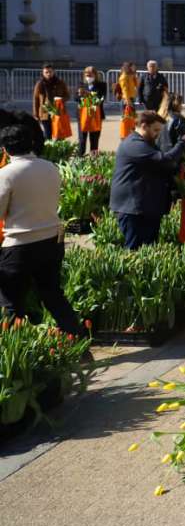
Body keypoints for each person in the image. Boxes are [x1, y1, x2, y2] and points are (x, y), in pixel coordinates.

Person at [0, 124, 86, 337]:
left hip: (19, 244)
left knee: (11, 302)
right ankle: (80, 344)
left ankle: (15, 353)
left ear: (4, 149)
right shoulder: (50, 167)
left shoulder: (6, 174)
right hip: (51, 239)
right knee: (53, 295)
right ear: (31, 144)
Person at [110, 111, 185, 249]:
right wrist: (183, 143)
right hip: (133, 209)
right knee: (134, 250)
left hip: (145, 207)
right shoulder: (134, 144)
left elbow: (160, 166)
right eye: (155, 130)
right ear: (144, 126)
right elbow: (164, 160)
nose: (158, 134)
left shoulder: (145, 143)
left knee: (148, 249)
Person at [32, 65, 70, 142]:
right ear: (43, 73)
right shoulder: (39, 84)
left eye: (50, 72)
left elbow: (67, 95)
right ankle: (47, 151)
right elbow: (36, 99)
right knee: (47, 135)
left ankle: (58, 151)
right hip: (45, 113)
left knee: (59, 135)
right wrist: (36, 114)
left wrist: (62, 99)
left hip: (58, 112)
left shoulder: (60, 82)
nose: (48, 74)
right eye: (46, 72)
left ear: (53, 72)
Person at [75, 66, 107, 156]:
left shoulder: (102, 85)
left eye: (90, 74)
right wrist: (80, 95)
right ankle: (80, 158)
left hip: (96, 116)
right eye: (86, 74)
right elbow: (75, 98)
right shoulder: (81, 84)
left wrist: (87, 93)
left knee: (94, 140)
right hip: (82, 116)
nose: (88, 76)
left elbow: (101, 98)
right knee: (82, 139)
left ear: (95, 75)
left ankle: (93, 160)